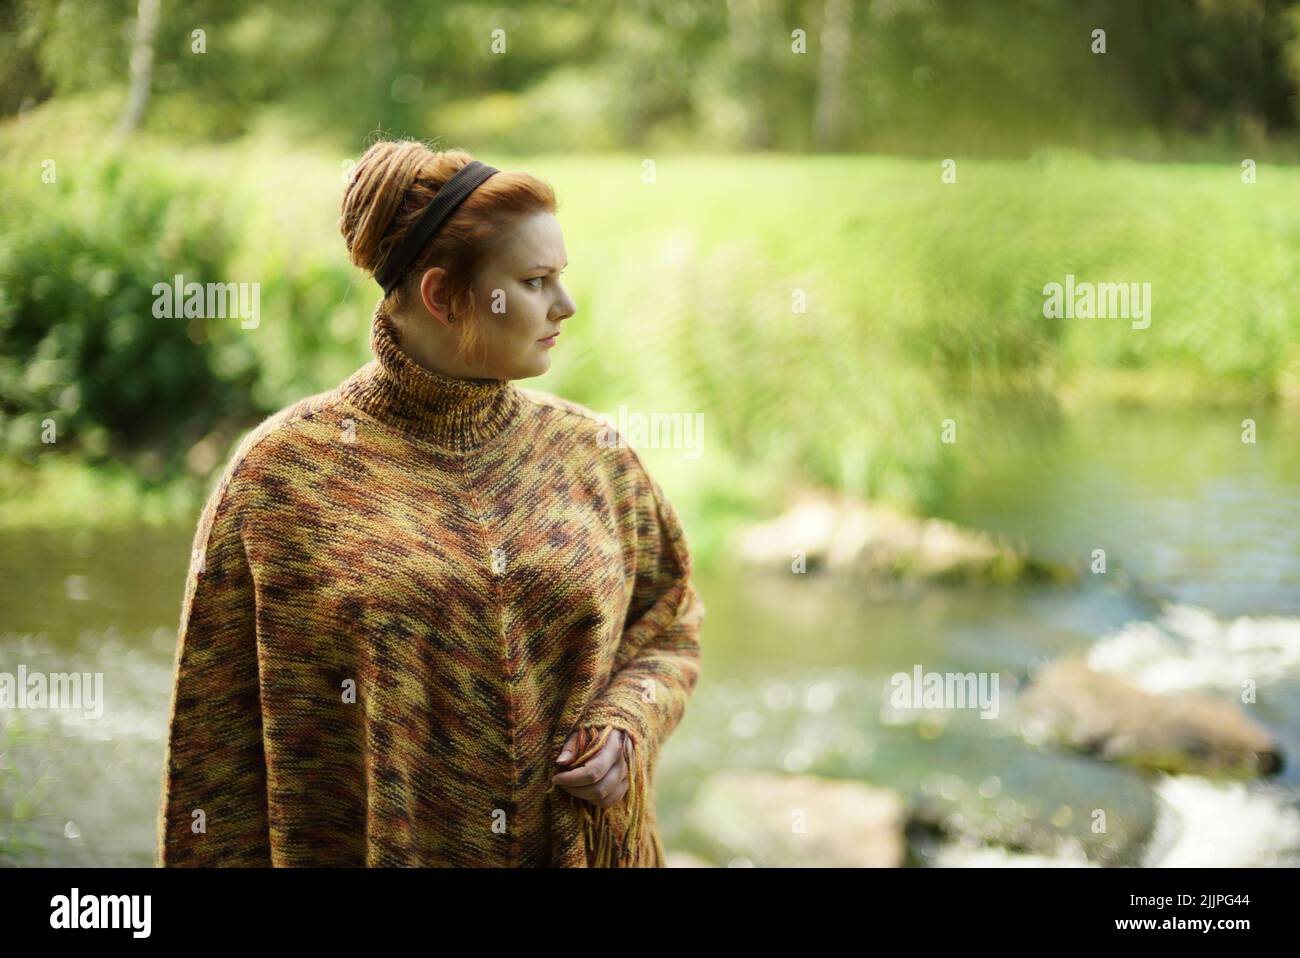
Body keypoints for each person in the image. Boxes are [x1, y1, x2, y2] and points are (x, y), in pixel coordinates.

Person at [156, 139, 705, 867]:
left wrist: (628, 722)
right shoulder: (278, 480)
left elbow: (670, 620)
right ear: (442, 295)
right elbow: (214, 748)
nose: (565, 306)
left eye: (560, 277)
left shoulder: (592, 455)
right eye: (536, 281)